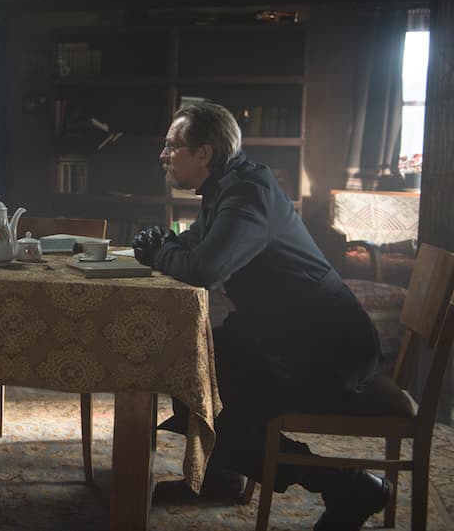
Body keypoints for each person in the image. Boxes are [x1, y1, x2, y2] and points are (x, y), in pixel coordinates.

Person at [133, 102, 389, 531]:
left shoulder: (247, 195)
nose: (163, 155)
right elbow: (193, 246)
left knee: (201, 385)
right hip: (286, 336)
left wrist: (162, 250)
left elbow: (204, 269)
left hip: (326, 349)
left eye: (172, 145)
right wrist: (168, 247)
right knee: (189, 370)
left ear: (204, 152)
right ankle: (223, 476)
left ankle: (344, 483)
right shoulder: (227, 188)